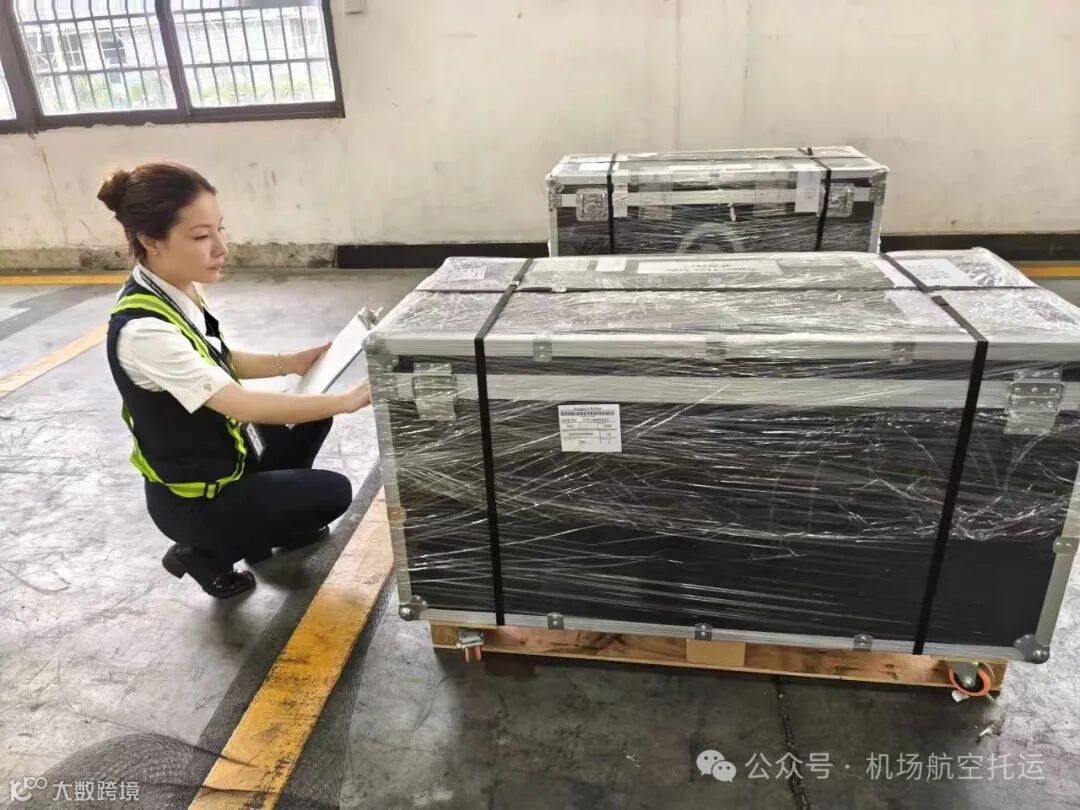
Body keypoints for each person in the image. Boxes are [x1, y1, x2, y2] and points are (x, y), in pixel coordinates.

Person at [98, 162, 371, 599]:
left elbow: (217, 357)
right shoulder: (144, 331)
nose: (221, 247)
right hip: (197, 500)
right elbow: (237, 403)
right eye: (201, 236)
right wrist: (346, 400)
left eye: (220, 229)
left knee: (312, 416)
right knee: (334, 492)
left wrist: (291, 363)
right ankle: (207, 553)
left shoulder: (178, 288)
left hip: (226, 464)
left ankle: (268, 527)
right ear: (151, 240)